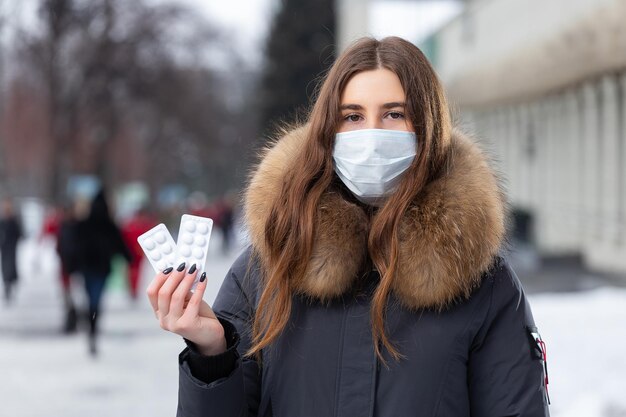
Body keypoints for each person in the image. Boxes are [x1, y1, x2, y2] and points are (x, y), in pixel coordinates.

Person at [147, 37, 550, 416]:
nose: (372, 134)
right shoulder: (264, 270)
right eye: (352, 116)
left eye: (395, 114)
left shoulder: (485, 287)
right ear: (328, 131)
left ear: (428, 130)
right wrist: (213, 352)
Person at [76, 188, 131, 355]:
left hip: (87, 268)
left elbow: (76, 246)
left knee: (90, 297)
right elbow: (120, 245)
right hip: (101, 268)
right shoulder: (109, 224)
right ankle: (93, 322)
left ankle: (90, 321)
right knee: (96, 298)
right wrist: (128, 258)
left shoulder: (84, 224)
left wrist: (73, 265)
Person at [121, 206, 156, 301]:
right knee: (133, 271)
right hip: (133, 251)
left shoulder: (134, 225)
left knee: (135, 271)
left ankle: (134, 290)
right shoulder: (133, 225)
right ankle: (133, 289)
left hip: (135, 252)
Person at [0, 198, 22, 303]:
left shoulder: (13, 221)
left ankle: (10, 285)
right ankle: (7, 287)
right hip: (4, 249)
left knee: (11, 268)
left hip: (11, 248)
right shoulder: (2, 221)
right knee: (5, 269)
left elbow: (19, 234)